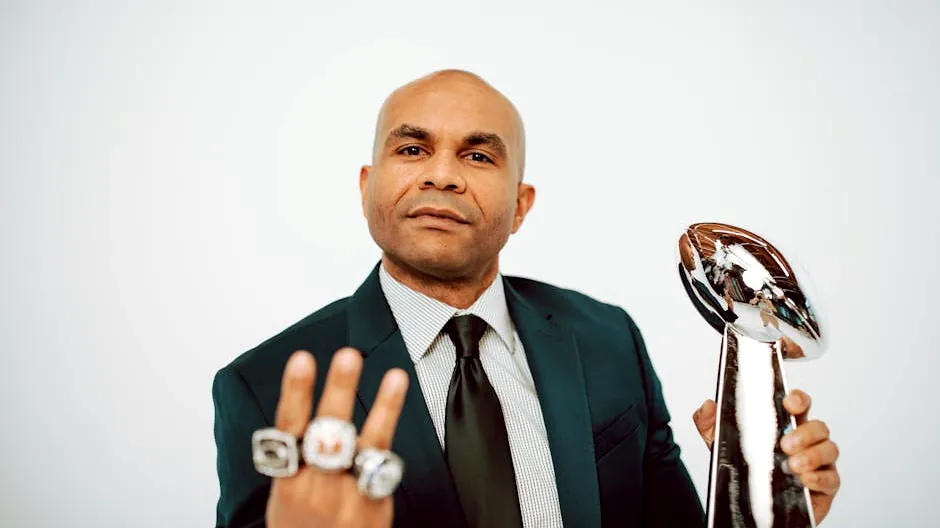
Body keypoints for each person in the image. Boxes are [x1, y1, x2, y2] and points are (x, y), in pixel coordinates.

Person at [211, 69, 841, 528]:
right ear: (367, 187)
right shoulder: (263, 388)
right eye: (411, 149)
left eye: (479, 154)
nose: (442, 173)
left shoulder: (607, 338)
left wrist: (761, 504)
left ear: (520, 207)